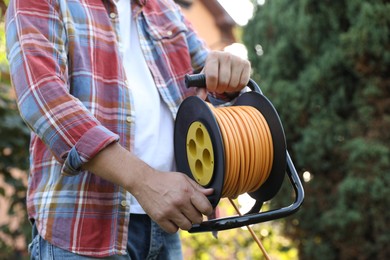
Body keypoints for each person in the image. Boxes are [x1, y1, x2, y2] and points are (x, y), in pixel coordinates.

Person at [6, 0, 251, 259]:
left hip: (167, 228)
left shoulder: (165, 8)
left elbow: (213, 90)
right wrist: (145, 182)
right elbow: (43, 99)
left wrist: (229, 75)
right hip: (83, 235)